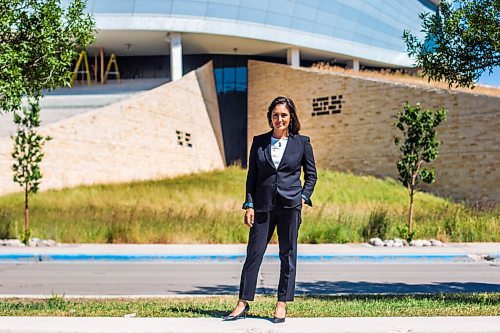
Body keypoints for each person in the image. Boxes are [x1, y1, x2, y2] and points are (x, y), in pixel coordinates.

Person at [223, 96, 317, 323]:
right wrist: (249, 204)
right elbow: (252, 177)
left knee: (288, 255)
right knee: (253, 253)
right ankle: (242, 303)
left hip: (289, 206)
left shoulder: (302, 143)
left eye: (284, 115)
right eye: (275, 115)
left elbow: (311, 175)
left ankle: (282, 303)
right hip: (263, 207)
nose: (279, 119)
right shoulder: (259, 142)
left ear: (291, 117)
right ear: (270, 117)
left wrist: (303, 197)